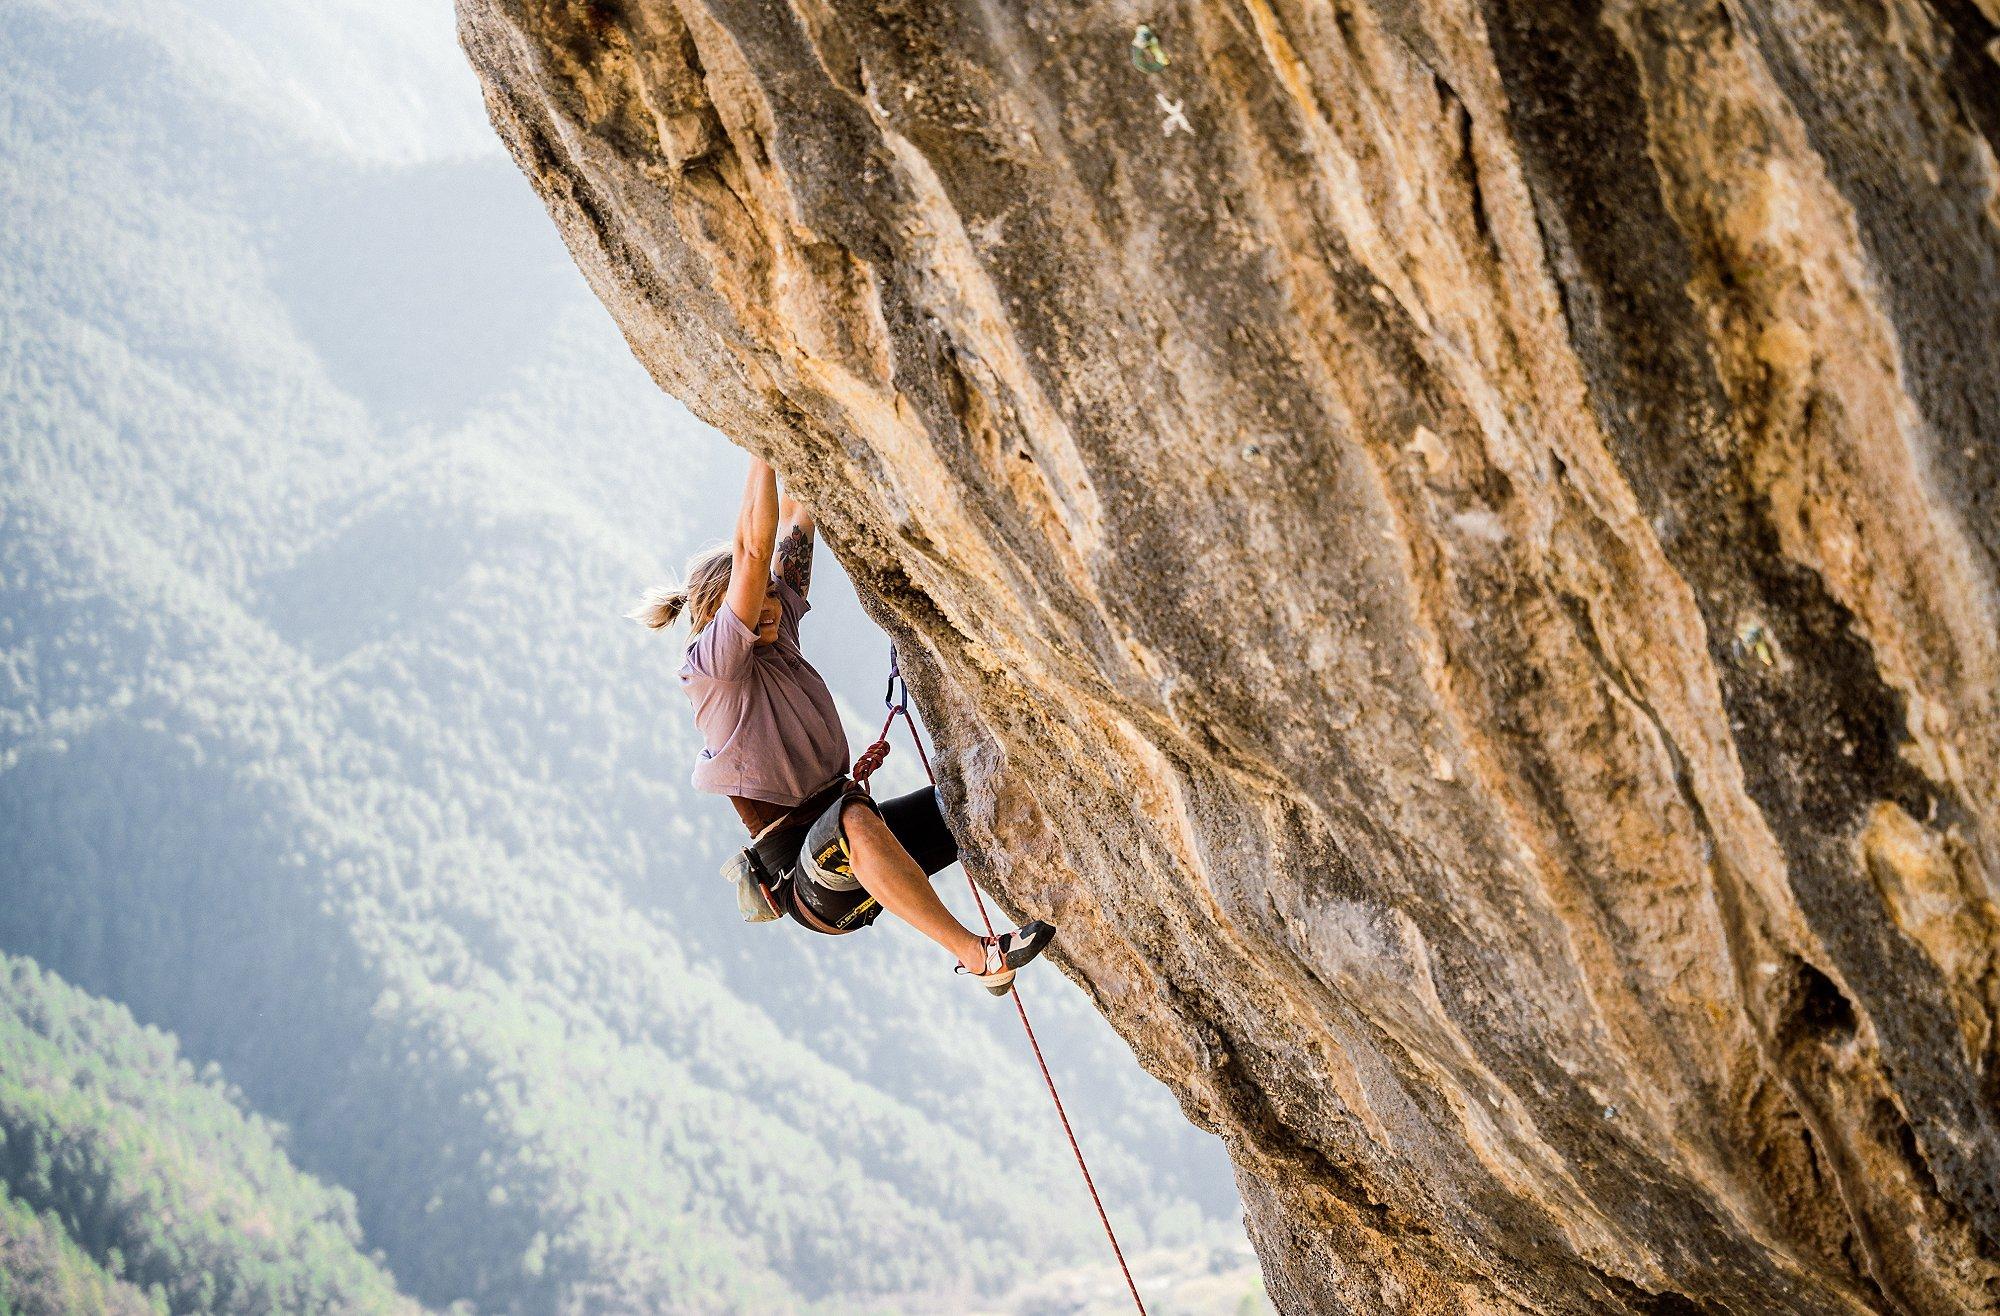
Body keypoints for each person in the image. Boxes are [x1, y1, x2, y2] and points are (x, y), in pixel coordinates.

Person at [631, 454, 1055, 994]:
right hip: (807, 880)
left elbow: (793, 521)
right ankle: (978, 956)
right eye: (754, 597)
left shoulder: (776, 634)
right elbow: (753, 551)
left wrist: (792, 436)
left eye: (770, 597)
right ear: (718, 616)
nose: (769, 607)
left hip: (851, 836)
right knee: (851, 820)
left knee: (971, 802)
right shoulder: (712, 669)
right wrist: (757, 445)